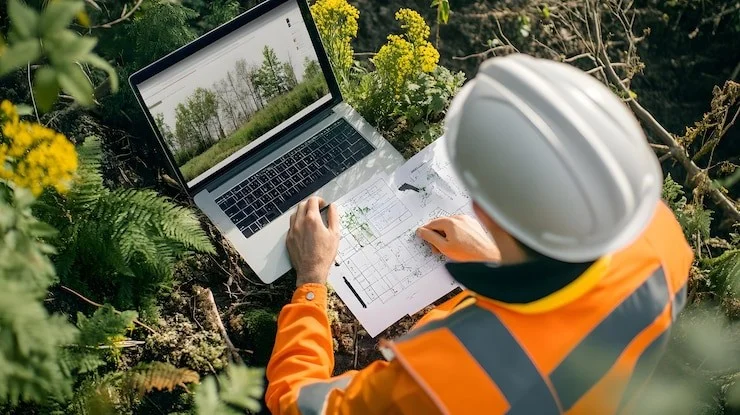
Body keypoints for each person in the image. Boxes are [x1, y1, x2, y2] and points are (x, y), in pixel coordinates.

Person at [264, 54, 693, 415]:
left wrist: (311, 281)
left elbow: (299, 405)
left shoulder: (449, 374)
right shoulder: (663, 238)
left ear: (481, 208)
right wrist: (497, 255)